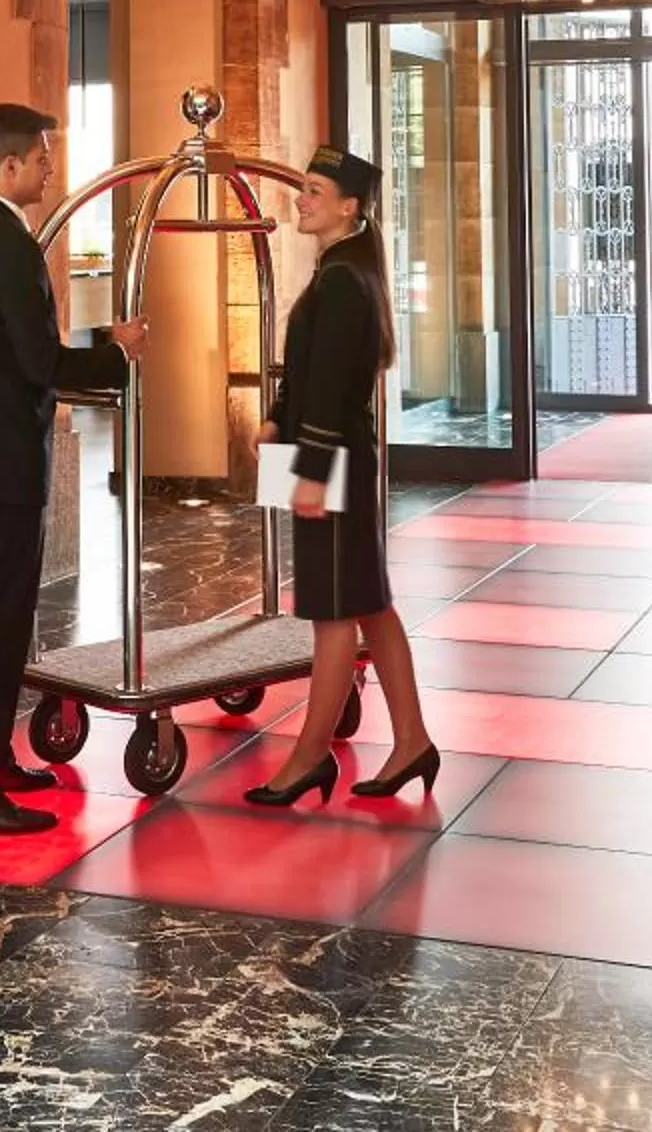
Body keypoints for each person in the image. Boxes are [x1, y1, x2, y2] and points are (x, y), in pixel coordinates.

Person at [0, 104, 148, 834]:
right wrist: (116, 352)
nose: (52, 167)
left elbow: (18, 348)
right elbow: (38, 360)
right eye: (44, 157)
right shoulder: (8, 246)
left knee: (3, 623)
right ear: (10, 165)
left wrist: (93, 345)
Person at [244, 144, 441, 810]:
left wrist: (310, 470)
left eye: (314, 191)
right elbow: (309, 372)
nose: (301, 199)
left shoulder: (343, 280)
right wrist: (276, 418)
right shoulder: (342, 268)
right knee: (368, 605)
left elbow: (328, 386)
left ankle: (307, 759)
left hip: (328, 460)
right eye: (303, 188)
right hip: (333, 456)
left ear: (349, 207)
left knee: (333, 615)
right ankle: (412, 740)